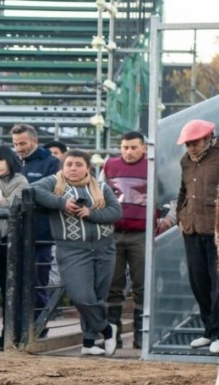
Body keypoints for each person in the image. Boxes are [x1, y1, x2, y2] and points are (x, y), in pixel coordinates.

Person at [31, 149, 121, 356]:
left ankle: (89, 342)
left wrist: (91, 213)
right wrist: (62, 203)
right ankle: (107, 329)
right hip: (71, 249)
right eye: (69, 164)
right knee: (81, 296)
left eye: (78, 164)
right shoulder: (53, 183)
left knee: (98, 295)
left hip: (104, 246)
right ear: (63, 166)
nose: (73, 168)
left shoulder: (102, 187)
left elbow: (116, 212)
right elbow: (32, 190)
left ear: (87, 168)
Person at [169, 119, 219, 354]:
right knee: (198, 281)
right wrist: (181, 215)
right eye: (188, 144)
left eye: (195, 143)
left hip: (218, 229)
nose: (191, 148)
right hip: (191, 228)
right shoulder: (186, 161)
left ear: (209, 138)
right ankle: (208, 330)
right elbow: (183, 190)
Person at [11, 124, 61, 331]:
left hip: (40, 234)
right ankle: (17, 326)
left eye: (23, 143)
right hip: (14, 234)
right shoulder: (12, 162)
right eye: (15, 144)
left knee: (38, 281)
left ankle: (38, 326)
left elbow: (55, 194)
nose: (19, 148)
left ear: (35, 141)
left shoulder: (51, 163)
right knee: (14, 282)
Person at [102, 131, 149, 349]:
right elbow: (100, 194)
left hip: (141, 233)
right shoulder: (110, 165)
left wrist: (168, 219)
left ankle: (141, 335)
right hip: (114, 232)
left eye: (133, 147)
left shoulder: (152, 166)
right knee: (113, 284)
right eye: (124, 147)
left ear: (144, 148)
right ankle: (113, 334)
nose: (128, 152)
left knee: (141, 284)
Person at [0, 145, 29, 349]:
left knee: (10, 290)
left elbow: (13, 205)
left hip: (11, 243)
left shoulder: (20, 180)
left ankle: (11, 335)